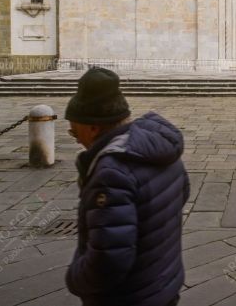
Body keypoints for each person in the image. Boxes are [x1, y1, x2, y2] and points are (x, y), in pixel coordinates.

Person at [64, 68, 189, 306]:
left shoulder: (112, 172)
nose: (77, 139)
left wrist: (75, 279)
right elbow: (181, 194)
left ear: (93, 127)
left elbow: (109, 261)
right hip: (165, 282)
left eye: (74, 131)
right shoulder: (159, 149)